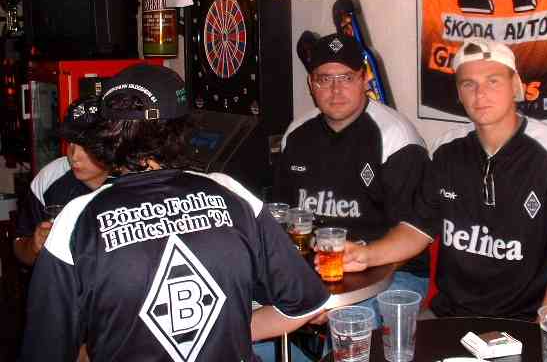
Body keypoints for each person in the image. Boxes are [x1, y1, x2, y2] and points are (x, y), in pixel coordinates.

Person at [19, 64, 329, 361]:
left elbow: (45, 350)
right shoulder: (231, 193)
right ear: (181, 129)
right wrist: (220, 332)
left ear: (106, 133)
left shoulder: (75, 219)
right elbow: (305, 304)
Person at [343, 39, 547, 320]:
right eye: (468, 84)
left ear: (515, 85)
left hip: (524, 320)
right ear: (459, 94)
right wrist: (365, 255)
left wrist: (541, 330)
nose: (480, 94)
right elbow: (417, 230)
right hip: (450, 315)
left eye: (493, 81)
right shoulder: (446, 150)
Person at [274, 32, 430, 323]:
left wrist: (341, 296)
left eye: (346, 78)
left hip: (392, 271)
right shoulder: (296, 135)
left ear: (364, 78)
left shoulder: (396, 138)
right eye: (324, 79)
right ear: (311, 84)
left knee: (347, 321)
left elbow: (414, 234)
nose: (336, 90)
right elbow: (281, 218)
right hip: (316, 268)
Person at [13, 96, 109, 266]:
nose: (74, 155)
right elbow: (20, 248)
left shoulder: (132, 179)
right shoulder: (50, 177)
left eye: (86, 145)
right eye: (70, 142)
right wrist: (34, 246)